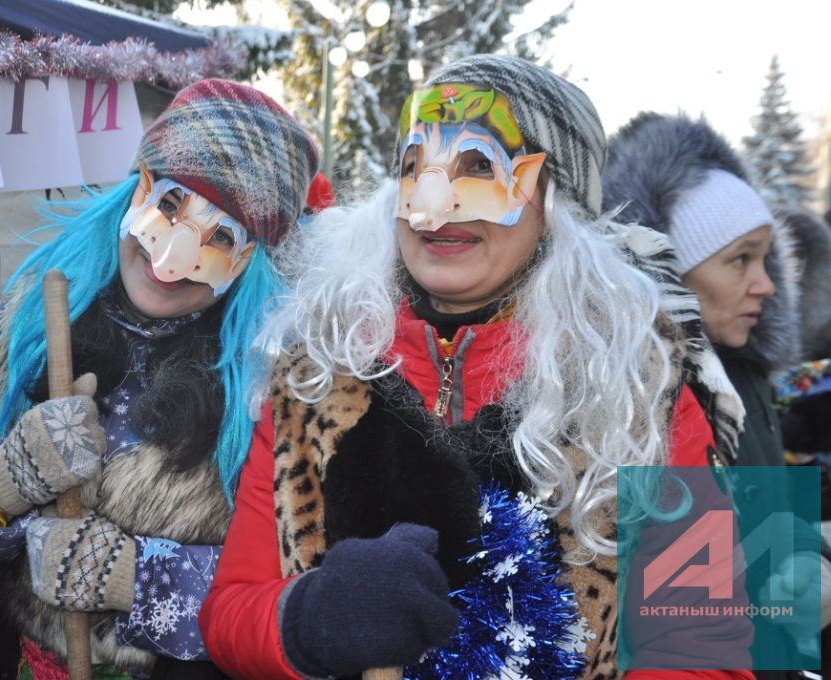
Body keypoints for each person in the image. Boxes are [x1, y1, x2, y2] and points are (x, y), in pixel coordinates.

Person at [200, 55, 754, 680]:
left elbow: (705, 649)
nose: (434, 205)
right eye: (416, 168)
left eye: (478, 168)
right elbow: (228, 614)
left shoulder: (643, 389)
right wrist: (311, 619)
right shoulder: (315, 376)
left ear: (554, 206)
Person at [0, 79, 318, 678]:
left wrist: (138, 576)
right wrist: (3, 486)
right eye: (170, 206)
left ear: (254, 260)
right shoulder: (25, 328)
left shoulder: (282, 384)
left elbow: (297, 596)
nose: (171, 257)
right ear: (135, 192)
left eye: (220, 236)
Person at [602, 112, 831, 679]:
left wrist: (811, 561)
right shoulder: (636, 394)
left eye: (765, 256)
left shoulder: (742, 376)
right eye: (740, 259)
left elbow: (770, 513)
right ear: (675, 270)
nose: (768, 283)